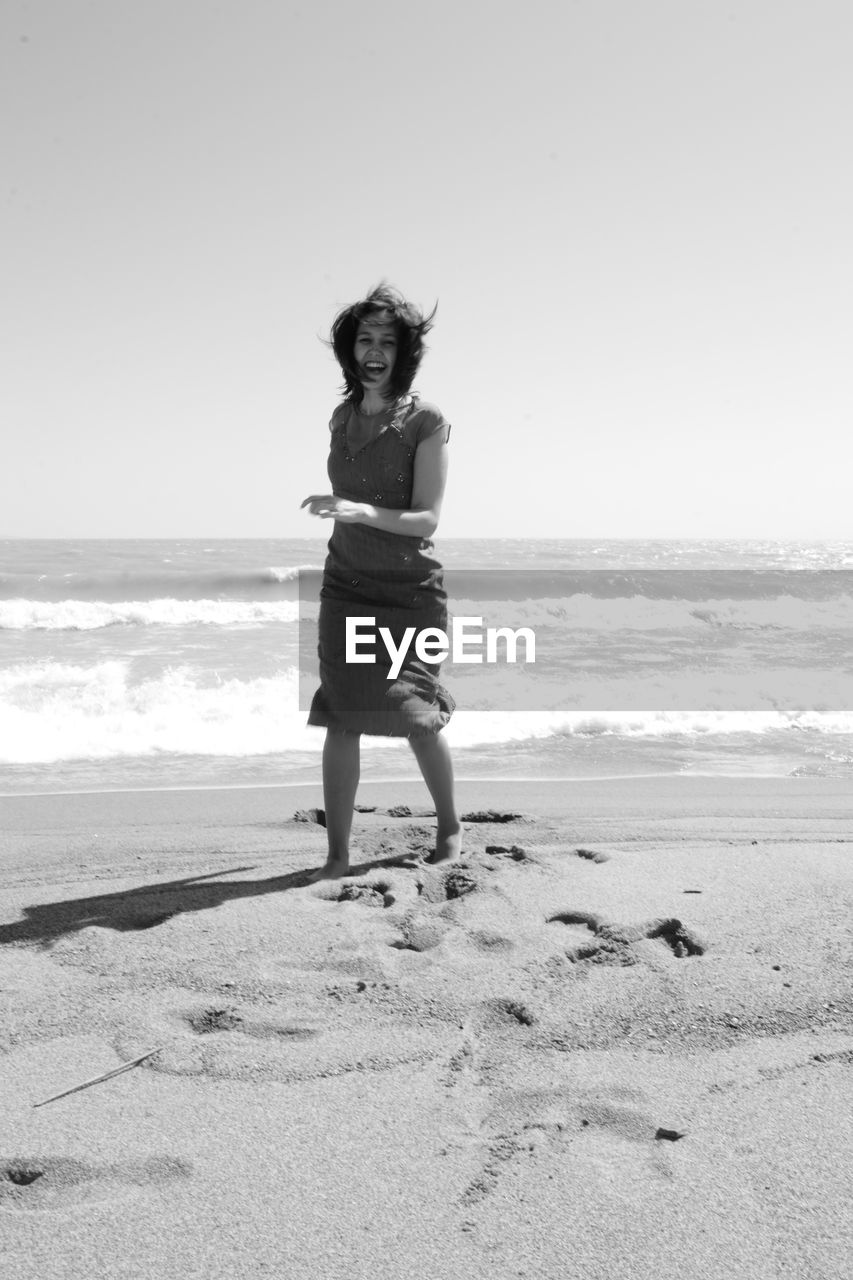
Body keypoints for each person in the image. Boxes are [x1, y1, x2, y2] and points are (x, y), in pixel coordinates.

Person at [301, 284, 461, 880]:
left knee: (415, 715)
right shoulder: (342, 418)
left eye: (386, 342)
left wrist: (364, 511)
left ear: (403, 353)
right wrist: (347, 513)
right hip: (346, 586)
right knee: (341, 715)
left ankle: (450, 827)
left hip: (409, 593)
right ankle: (338, 855)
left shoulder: (426, 420)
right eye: (364, 339)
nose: (374, 350)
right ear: (350, 349)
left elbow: (427, 517)